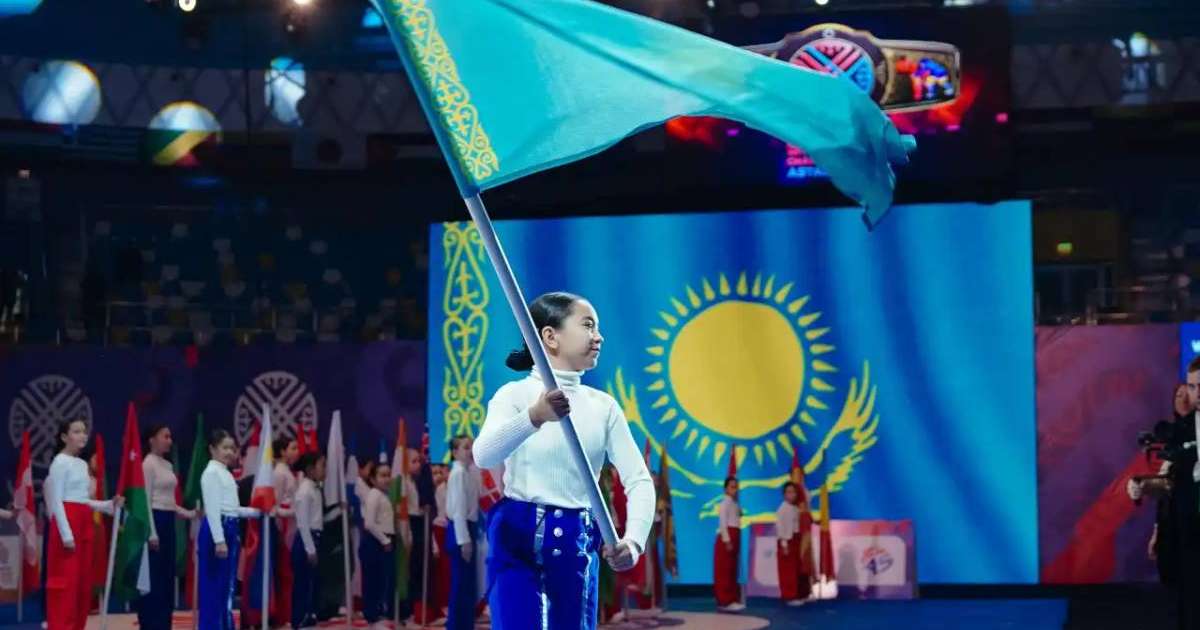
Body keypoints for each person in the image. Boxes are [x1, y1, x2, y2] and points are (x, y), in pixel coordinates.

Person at [473, 291, 655, 630]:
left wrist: (633, 540)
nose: (598, 336)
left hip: (576, 543)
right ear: (550, 336)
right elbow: (484, 455)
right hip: (517, 539)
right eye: (587, 325)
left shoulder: (604, 407)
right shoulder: (515, 396)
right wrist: (535, 416)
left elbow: (639, 480)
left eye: (597, 327)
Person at [44, 419, 124, 630]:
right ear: (64, 437)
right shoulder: (59, 462)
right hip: (66, 525)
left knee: (82, 586)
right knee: (66, 585)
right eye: (76, 431)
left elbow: (82, 500)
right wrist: (66, 534)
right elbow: (56, 501)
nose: (82, 435)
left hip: (84, 524)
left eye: (84, 431)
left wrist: (108, 505)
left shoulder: (81, 465)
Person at [199, 429, 263, 630]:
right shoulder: (210, 473)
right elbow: (212, 509)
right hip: (218, 531)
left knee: (227, 588)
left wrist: (257, 512)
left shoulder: (225, 473)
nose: (229, 452)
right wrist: (219, 540)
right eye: (224, 448)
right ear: (212, 449)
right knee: (214, 590)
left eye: (232, 448)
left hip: (229, 528)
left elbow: (231, 508)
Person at [139, 424, 200, 630]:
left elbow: (169, 502)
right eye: (165, 436)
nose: (169, 440)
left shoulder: (167, 465)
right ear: (152, 439)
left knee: (166, 576)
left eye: (170, 436)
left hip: (168, 523)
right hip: (154, 522)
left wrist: (190, 514)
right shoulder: (147, 464)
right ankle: (150, 623)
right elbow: (145, 500)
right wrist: (151, 532)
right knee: (154, 577)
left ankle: (164, 623)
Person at [445, 435, 479, 630]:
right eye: (466, 448)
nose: (470, 451)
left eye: (471, 447)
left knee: (467, 584)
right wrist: (464, 540)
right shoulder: (457, 474)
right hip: (460, 530)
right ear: (455, 453)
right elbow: (458, 510)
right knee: (460, 584)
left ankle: (465, 624)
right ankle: (456, 625)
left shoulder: (468, 473)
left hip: (467, 528)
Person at [291, 452, 326, 630]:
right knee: (303, 582)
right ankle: (299, 619)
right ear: (310, 469)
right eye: (322, 465)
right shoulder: (304, 491)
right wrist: (310, 548)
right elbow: (303, 523)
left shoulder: (315, 487)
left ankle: (308, 614)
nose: (325, 470)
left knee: (311, 581)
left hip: (314, 538)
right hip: (306, 539)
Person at [361, 461, 396, 629]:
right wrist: (384, 540)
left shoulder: (384, 495)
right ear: (373, 480)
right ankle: (371, 615)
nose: (387, 479)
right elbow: (369, 523)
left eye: (388, 475)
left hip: (383, 540)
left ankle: (377, 611)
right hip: (374, 541)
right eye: (382, 475)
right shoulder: (374, 494)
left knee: (382, 578)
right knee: (372, 579)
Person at [775, 482, 813, 606]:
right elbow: (780, 528)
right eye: (788, 492)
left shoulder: (796, 508)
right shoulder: (782, 509)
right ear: (784, 494)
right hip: (787, 540)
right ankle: (789, 596)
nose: (791, 495)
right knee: (788, 570)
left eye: (794, 492)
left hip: (797, 539)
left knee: (797, 569)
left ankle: (798, 593)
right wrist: (784, 544)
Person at [714, 477, 744, 612]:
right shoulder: (725, 503)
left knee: (732, 569)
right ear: (726, 488)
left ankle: (732, 598)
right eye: (732, 487)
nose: (735, 489)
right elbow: (722, 523)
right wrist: (727, 540)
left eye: (736, 487)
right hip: (728, 537)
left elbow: (739, 516)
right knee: (725, 570)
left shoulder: (734, 503)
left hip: (735, 535)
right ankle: (725, 601)